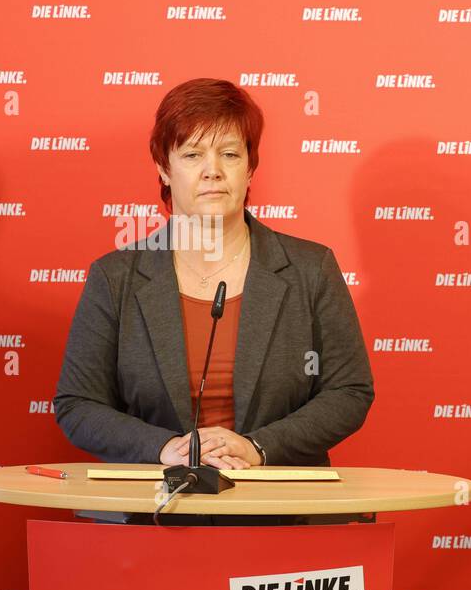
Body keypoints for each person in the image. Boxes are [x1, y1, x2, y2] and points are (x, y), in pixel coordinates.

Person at [54, 78, 374, 471]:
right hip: (151, 509)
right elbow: (78, 404)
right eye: (192, 155)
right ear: (164, 169)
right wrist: (164, 447)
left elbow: (348, 390)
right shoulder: (115, 277)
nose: (213, 171)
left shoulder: (311, 268)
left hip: (279, 508)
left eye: (230, 154)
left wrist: (259, 447)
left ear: (251, 167)